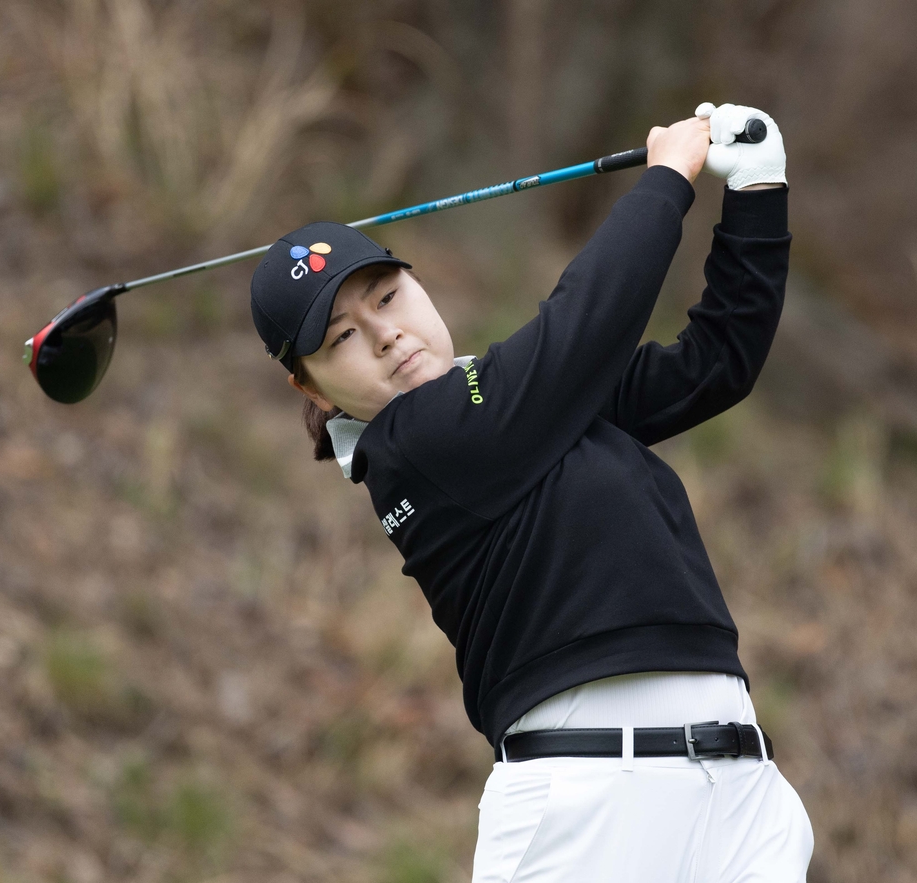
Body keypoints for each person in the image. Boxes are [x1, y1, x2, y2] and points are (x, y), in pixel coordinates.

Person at [249, 103, 813, 882]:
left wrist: (757, 191)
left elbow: (715, 362)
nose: (385, 335)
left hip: (738, 794)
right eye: (341, 337)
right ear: (310, 386)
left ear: (416, 283)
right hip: (585, 811)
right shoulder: (412, 444)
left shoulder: (527, 406)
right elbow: (584, 322)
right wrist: (665, 181)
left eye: (384, 297)